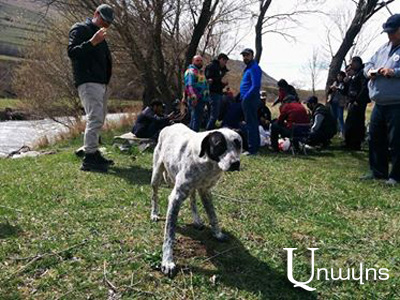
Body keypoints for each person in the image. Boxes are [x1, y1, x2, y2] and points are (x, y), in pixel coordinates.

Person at [68, 4, 114, 172]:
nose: (105, 25)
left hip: (100, 82)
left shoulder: (100, 34)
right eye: (104, 20)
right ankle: (89, 159)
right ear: (96, 14)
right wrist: (92, 42)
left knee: (99, 118)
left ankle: (94, 153)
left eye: (108, 23)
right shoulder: (80, 29)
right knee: (94, 117)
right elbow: (72, 52)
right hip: (88, 80)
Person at [362, 14, 400, 185]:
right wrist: (370, 71)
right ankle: (378, 172)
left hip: (397, 104)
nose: (390, 36)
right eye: (388, 32)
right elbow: (368, 64)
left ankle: (396, 176)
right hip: (379, 102)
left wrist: (394, 72)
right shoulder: (382, 48)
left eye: (393, 32)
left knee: (397, 141)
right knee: (375, 138)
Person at [344, 56, 370, 150]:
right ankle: (349, 142)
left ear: (357, 63)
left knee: (357, 123)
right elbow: (348, 90)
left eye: (352, 64)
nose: (350, 66)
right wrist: (346, 82)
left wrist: (357, 100)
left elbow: (364, 88)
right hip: (352, 101)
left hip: (359, 102)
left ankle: (356, 144)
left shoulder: (362, 73)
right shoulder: (354, 75)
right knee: (350, 123)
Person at [240, 48, 262, 155]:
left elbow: (255, 85)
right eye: (243, 55)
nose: (245, 57)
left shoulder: (254, 68)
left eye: (247, 55)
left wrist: (246, 97)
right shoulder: (248, 68)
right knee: (251, 123)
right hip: (247, 99)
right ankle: (254, 147)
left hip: (250, 100)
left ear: (252, 56)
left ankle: (252, 149)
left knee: (251, 124)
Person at [184, 55, 210, 132]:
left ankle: (192, 134)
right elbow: (189, 85)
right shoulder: (190, 71)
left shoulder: (199, 72)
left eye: (201, 61)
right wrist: (193, 96)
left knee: (197, 119)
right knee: (196, 119)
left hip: (202, 99)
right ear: (193, 61)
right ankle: (193, 137)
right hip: (195, 98)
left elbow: (199, 83)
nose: (199, 62)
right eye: (197, 60)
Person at [205, 53, 229, 130]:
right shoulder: (212, 67)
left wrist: (223, 84)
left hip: (218, 92)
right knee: (214, 115)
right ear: (221, 59)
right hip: (212, 92)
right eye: (224, 61)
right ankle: (208, 131)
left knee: (212, 114)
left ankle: (209, 129)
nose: (225, 63)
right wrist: (219, 81)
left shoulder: (222, 69)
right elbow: (209, 80)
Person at [327, 71, 348, 137]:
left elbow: (344, 92)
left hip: (340, 103)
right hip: (333, 102)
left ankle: (343, 132)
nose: (339, 77)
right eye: (338, 76)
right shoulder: (335, 83)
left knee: (340, 117)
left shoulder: (344, 84)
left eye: (340, 76)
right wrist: (331, 88)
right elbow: (329, 92)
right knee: (334, 117)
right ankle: (334, 131)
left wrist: (337, 89)